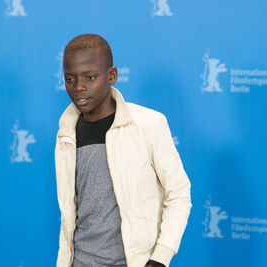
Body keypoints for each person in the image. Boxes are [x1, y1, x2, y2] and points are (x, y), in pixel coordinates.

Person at [55, 33, 191, 267]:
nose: (78, 87)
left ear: (111, 75)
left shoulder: (149, 124)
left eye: (89, 77)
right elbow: (71, 214)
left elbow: (179, 194)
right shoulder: (66, 133)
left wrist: (160, 258)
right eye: (70, 79)